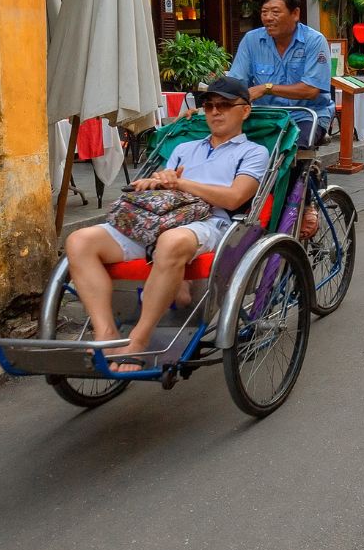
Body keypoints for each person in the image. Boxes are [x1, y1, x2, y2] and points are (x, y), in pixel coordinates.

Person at [63, 76, 269, 370]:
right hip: (162, 218)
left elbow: (235, 198)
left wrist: (182, 184)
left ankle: (139, 338)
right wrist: (155, 181)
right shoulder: (185, 148)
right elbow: (165, 186)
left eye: (224, 105)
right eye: (209, 105)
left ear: (245, 111)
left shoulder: (252, 152)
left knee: (171, 241)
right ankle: (106, 332)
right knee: (79, 241)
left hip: (211, 221)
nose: (215, 112)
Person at [229, 0, 331, 144]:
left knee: (291, 152)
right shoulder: (251, 40)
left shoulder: (314, 41)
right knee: (231, 145)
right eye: (264, 12)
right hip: (263, 116)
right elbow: (236, 84)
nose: (268, 18)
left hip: (305, 115)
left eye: (275, 12)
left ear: (295, 14)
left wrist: (266, 88)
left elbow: (311, 90)